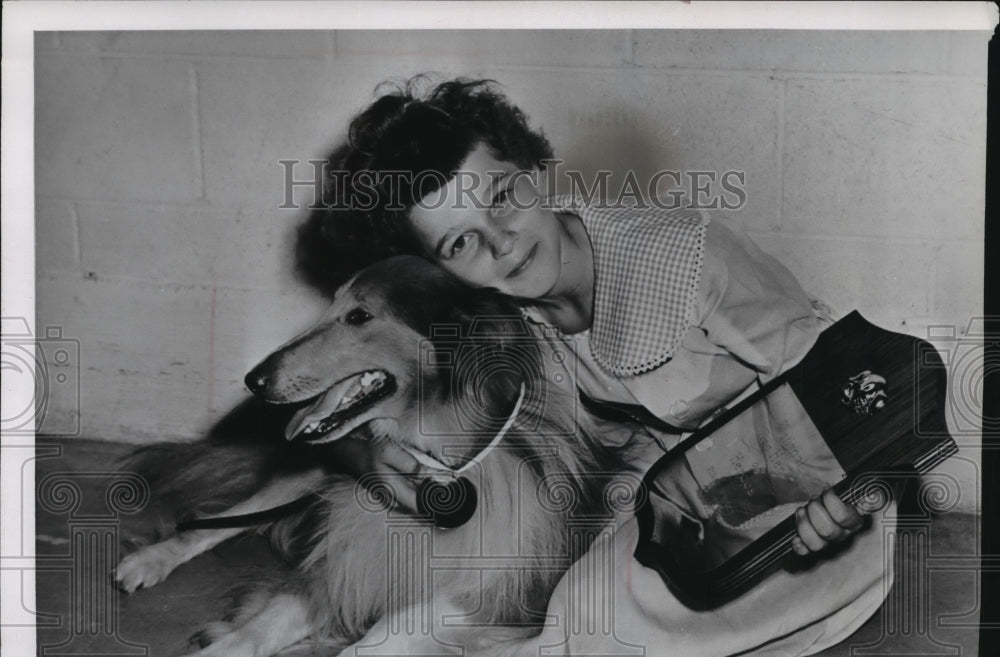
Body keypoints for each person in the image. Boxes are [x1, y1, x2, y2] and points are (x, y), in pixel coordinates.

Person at [303, 77, 867, 558]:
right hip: (688, 502)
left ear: (535, 170)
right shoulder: (498, 325)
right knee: (577, 606)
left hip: (820, 500)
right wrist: (369, 455)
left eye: (502, 196)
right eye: (458, 244)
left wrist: (846, 504)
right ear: (432, 272)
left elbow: (852, 388)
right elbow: (426, 426)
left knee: (619, 625)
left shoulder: (690, 259)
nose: (500, 243)